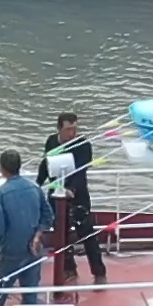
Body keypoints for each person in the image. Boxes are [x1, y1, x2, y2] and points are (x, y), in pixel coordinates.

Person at [0, 148, 50, 306]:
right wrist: (37, 235)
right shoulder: (35, 188)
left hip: (11, 251)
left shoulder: (0, 194)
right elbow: (48, 215)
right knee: (30, 293)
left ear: (2, 168)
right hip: (33, 250)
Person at [41, 111, 107, 285]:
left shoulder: (83, 145)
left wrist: (71, 189)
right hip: (56, 193)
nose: (72, 133)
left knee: (86, 232)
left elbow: (81, 170)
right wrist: (37, 184)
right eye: (68, 129)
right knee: (60, 233)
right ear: (59, 129)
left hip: (78, 196)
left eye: (75, 129)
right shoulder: (51, 142)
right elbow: (46, 165)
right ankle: (69, 268)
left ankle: (99, 272)